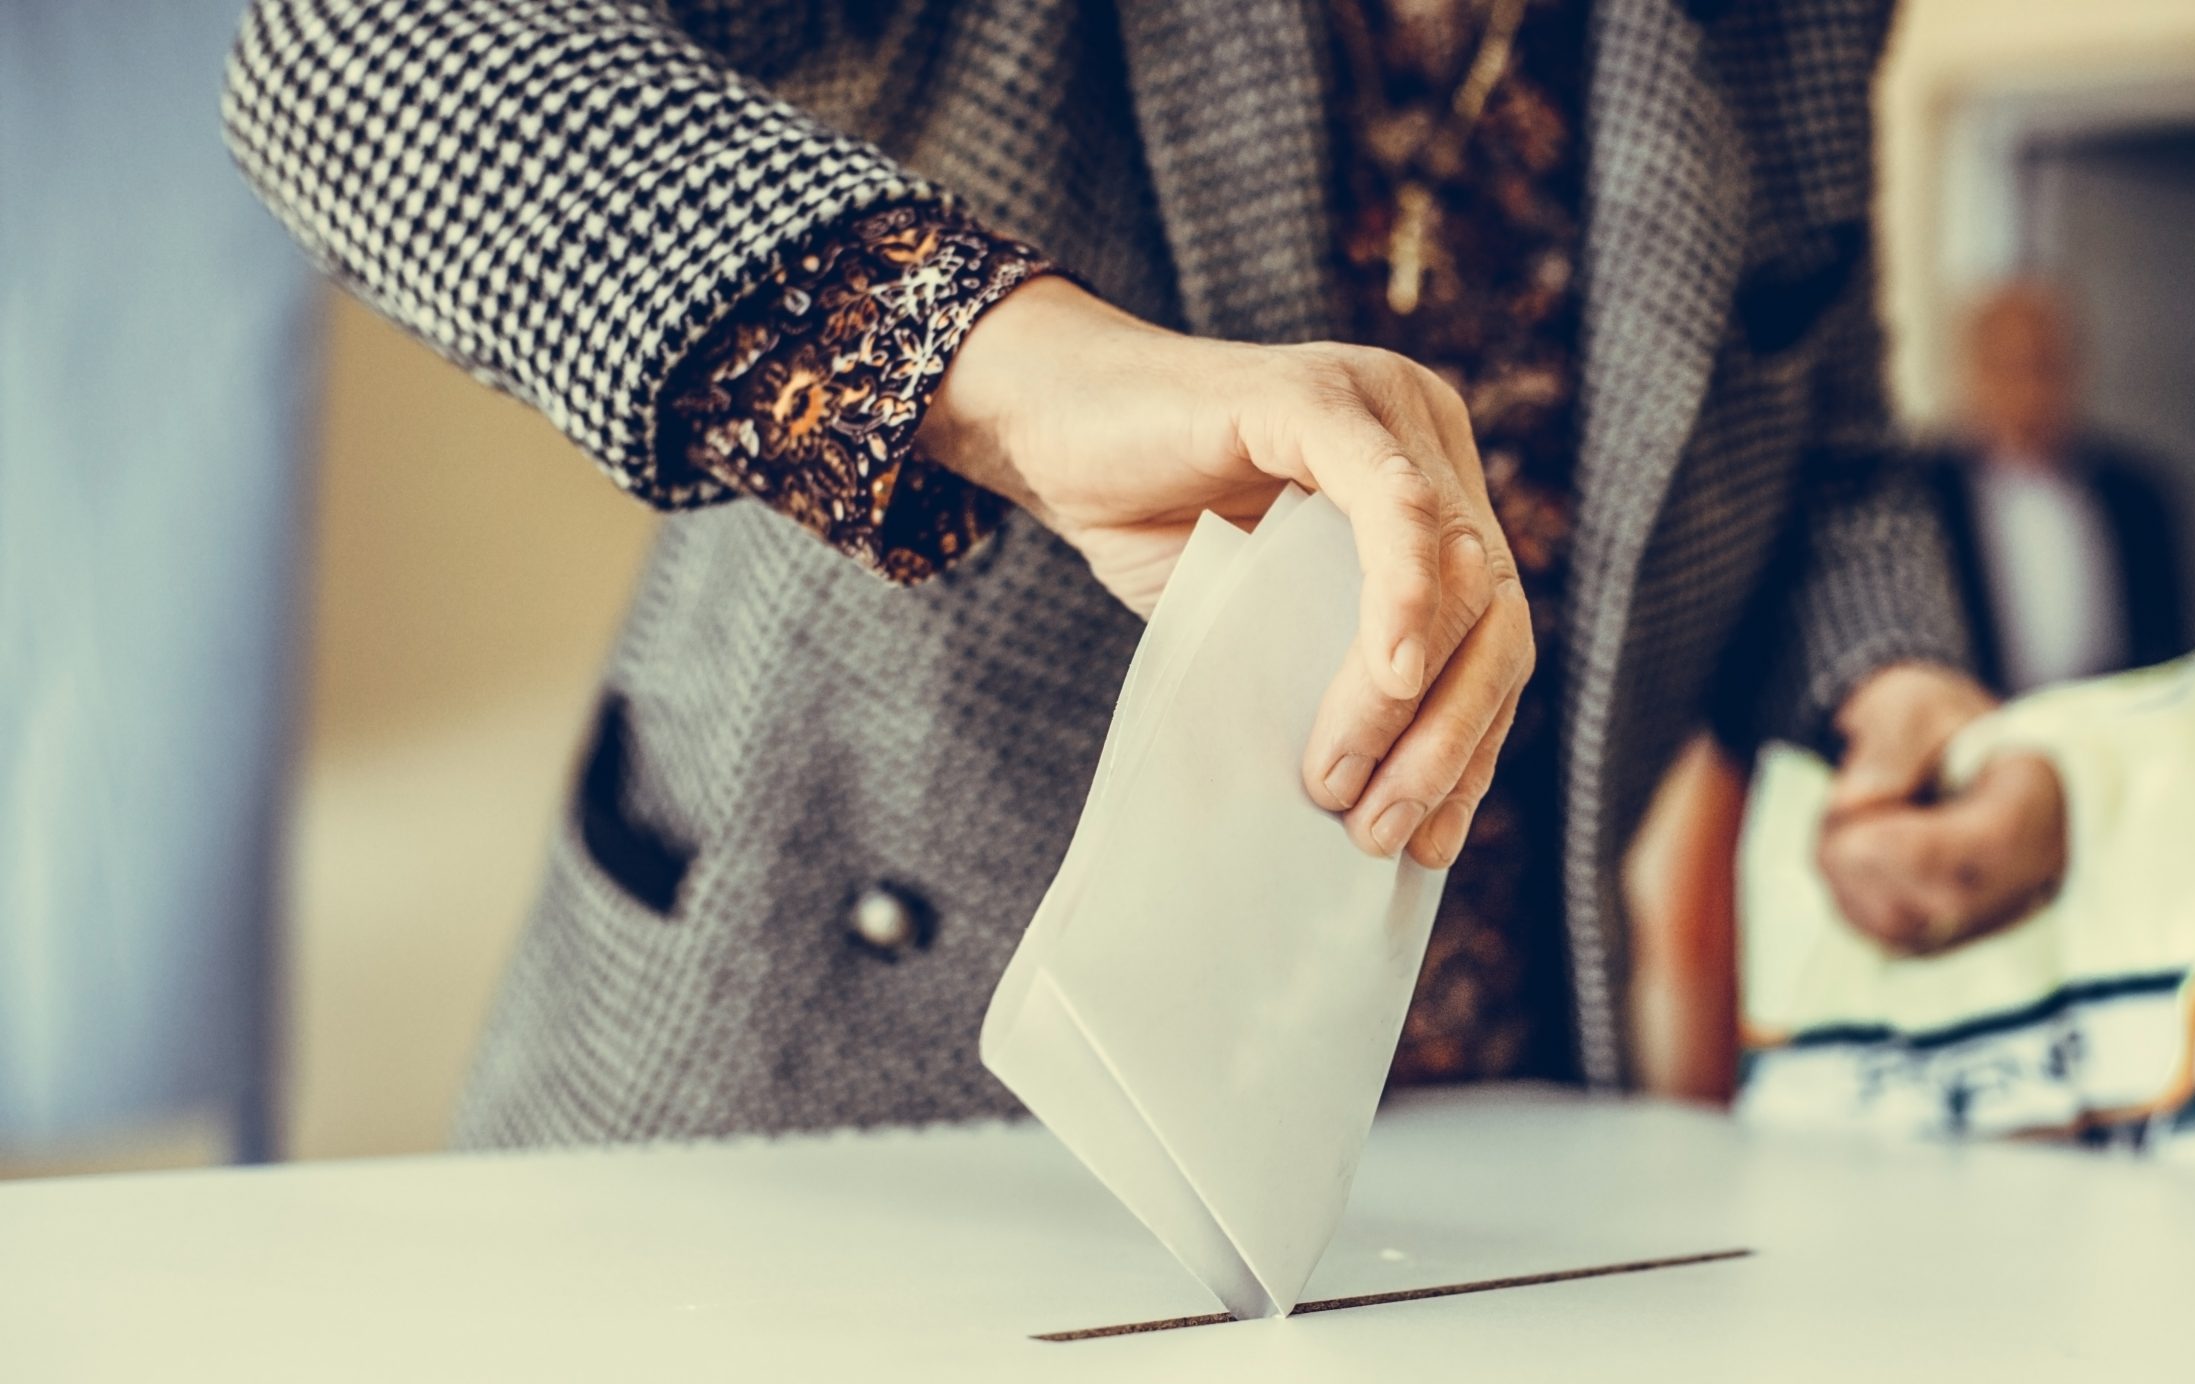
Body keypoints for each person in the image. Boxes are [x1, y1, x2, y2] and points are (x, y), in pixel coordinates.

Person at [221, 0, 2066, 1148]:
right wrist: (996, 363)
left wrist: (1891, 679)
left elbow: (1813, 421)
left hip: (1473, 1135)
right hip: (831, 1079)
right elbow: (361, 47)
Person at [1921, 282, 2193, 696]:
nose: (2027, 391)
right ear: (1969, 370)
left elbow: (2170, 648)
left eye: (2043, 365)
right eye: (2005, 367)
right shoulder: (1920, 500)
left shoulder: (2140, 497)